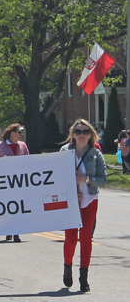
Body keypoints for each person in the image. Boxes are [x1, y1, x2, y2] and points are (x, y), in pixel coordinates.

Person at [60, 119, 107, 292]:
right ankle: (67, 267)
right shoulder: (64, 152)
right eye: (78, 131)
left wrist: (86, 179)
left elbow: (104, 179)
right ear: (72, 134)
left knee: (86, 238)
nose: (81, 134)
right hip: (70, 202)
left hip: (90, 200)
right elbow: (56, 177)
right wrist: (71, 189)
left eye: (85, 131)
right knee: (71, 238)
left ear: (90, 135)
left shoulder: (95, 154)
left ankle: (84, 277)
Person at [0, 123, 29, 242]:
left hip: (19, 182)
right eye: (19, 132)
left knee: (18, 207)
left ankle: (16, 232)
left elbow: (28, 161)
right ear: (12, 133)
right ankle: (8, 230)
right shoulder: (1, 146)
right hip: (5, 182)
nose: (21, 135)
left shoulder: (23, 145)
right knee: (9, 207)